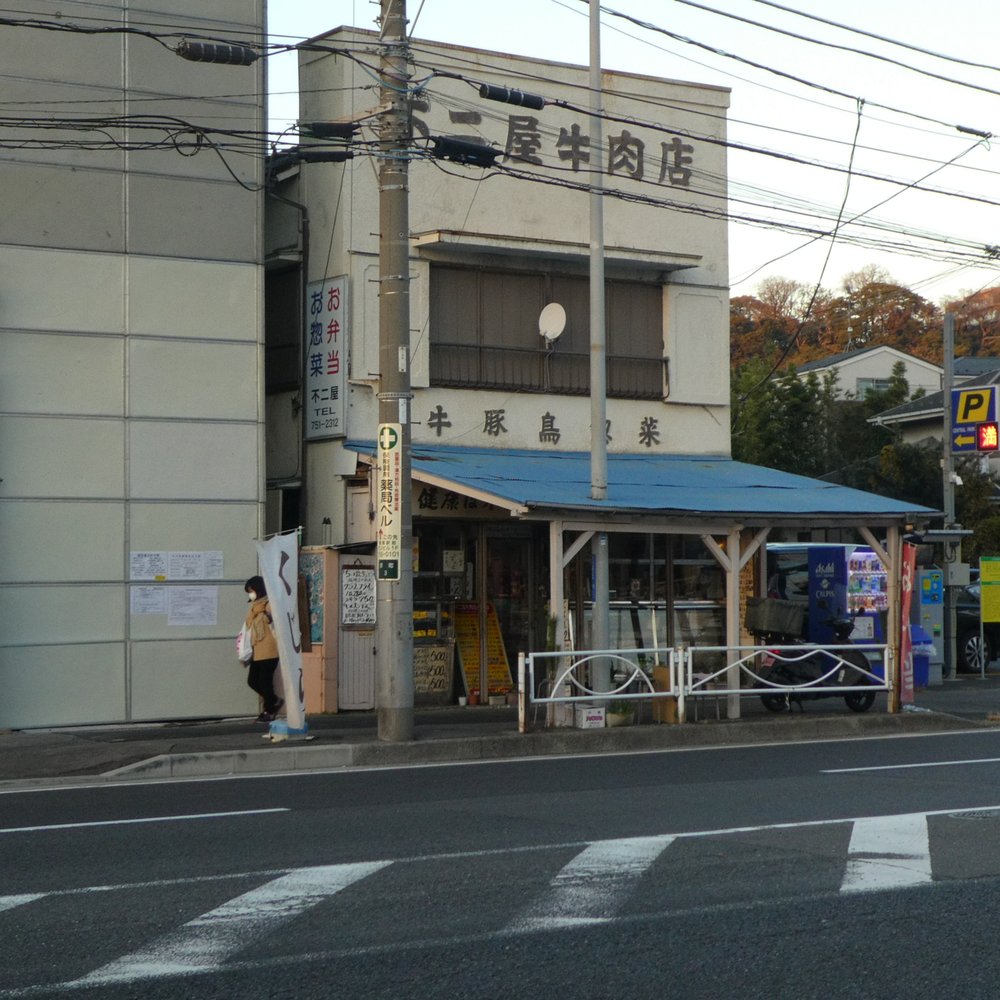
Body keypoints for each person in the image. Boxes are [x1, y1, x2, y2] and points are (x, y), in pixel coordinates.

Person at [244, 575, 284, 722]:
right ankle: (274, 702)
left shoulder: (269, 604)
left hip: (270, 649)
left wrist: (267, 614)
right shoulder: (254, 607)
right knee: (253, 681)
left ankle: (270, 710)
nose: (250, 594)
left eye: (251, 590)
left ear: (259, 589)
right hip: (257, 649)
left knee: (264, 682)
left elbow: (276, 622)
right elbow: (248, 626)